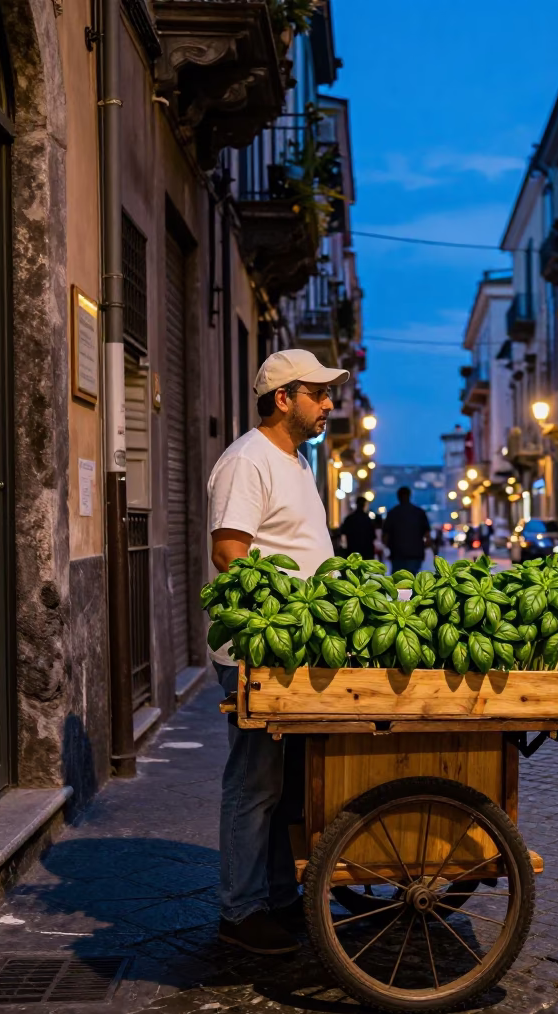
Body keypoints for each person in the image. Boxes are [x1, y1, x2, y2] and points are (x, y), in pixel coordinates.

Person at [207, 348, 348, 955]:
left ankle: (278, 896)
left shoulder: (295, 460)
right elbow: (229, 554)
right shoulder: (247, 460)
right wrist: (278, 618)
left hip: (294, 646)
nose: (330, 404)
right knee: (255, 780)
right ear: (283, 398)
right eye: (319, 394)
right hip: (257, 650)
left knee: (286, 785)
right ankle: (240, 912)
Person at [382, 485, 430, 573]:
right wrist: (424, 547)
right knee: (413, 578)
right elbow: (427, 534)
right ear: (409, 495)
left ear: (398, 497)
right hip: (415, 553)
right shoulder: (419, 513)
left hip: (397, 553)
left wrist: (388, 547)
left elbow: (385, 536)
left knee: (399, 580)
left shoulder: (392, 513)